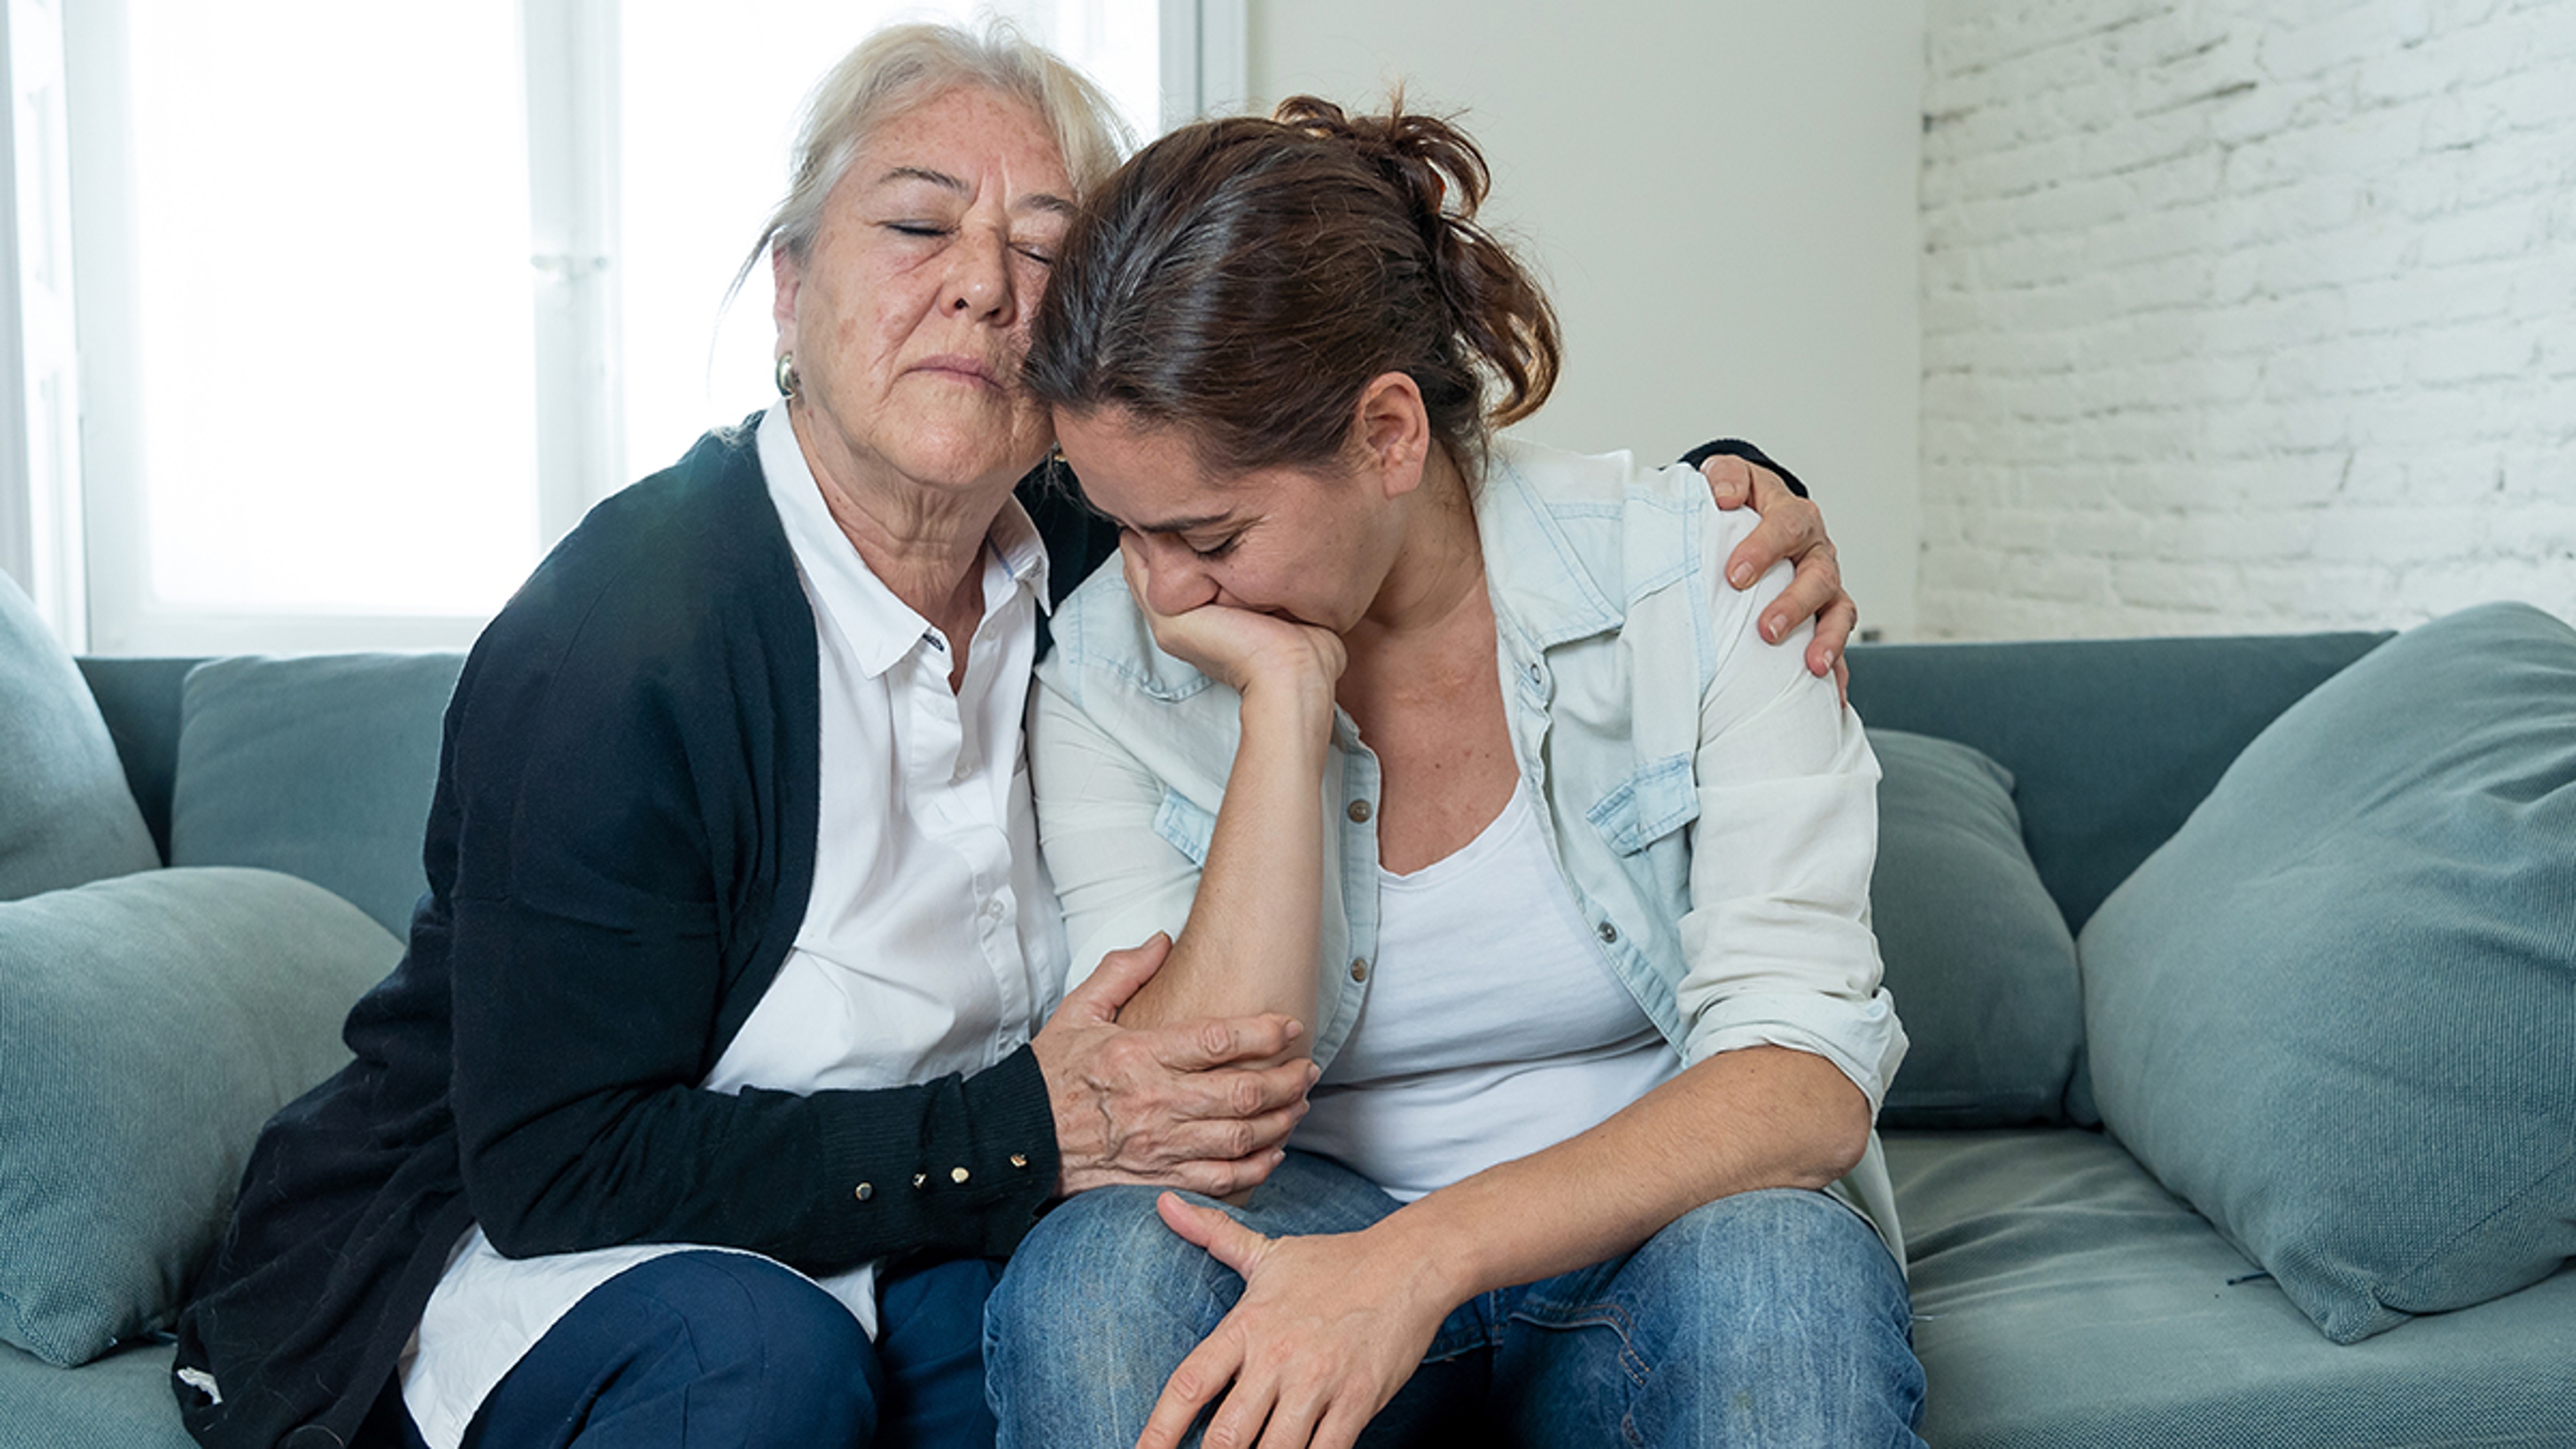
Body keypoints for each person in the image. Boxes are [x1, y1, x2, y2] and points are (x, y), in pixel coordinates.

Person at [173, 24, 1857, 1449]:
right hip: (629, 1225)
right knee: (907, 1342)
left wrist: (1740, 492)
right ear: (787, 287)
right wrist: (1038, 1131)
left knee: (1037, 1319)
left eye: (1041, 247)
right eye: (916, 226)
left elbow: (1344, 463)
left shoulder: (1085, 541)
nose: (982, 288)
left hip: (940, 1217)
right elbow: (557, 1161)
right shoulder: (634, 637)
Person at [987, 98, 1922, 1448]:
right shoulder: (1107, 672)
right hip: (1294, 1215)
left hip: (1654, 1230)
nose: (1159, 588)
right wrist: (1285, 704)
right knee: (1095, 1290)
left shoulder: (1702, 575)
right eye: (1120, 529)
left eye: (1207, 532)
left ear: (1388, 436)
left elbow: (1803, 1075)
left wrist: (1420, 1261)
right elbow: (1186, 1115)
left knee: (1783, 1278)